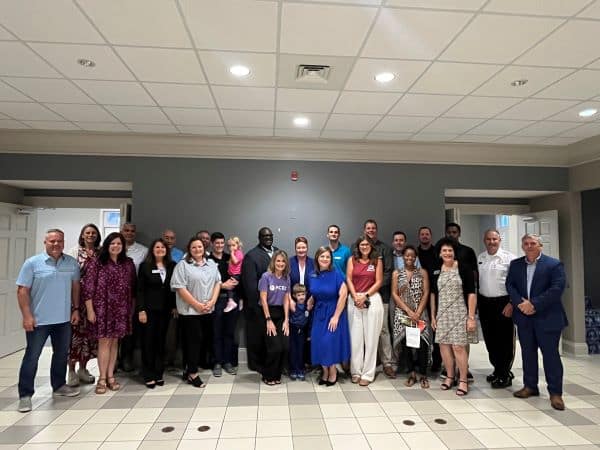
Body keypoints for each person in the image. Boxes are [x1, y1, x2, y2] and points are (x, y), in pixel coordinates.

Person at [16, 229, 81, 413]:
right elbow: (22, 291)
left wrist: (76, 309)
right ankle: (25, 395)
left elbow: (75, 287)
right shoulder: (32, 263)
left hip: (63, 320)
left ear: (64, 242)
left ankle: (59, 385)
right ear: (45, 242)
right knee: (32, 356)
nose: (56, 244)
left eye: (59, 241)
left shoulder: (71, 263)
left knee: (61, 354)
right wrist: (27, 316)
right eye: (52, 241)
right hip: (39, 321)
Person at [506, 234, 567, 411]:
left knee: (551, 356)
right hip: (524, 318)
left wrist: (533, 304)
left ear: (540, 245)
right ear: (522, 246)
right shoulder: (516, 264)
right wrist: (520, 303)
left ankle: (555, 393)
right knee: (528, 353)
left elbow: (557, 288)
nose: (529, 246)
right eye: (526, 243)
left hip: (547, 317)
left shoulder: (553, 264)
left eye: (533, 243)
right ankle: (530, 386)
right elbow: (510, 285)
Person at [83, 232, 136, 394]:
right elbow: (88, 288)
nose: (116, 246)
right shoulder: (97, 262)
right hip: (102, 309)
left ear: (123, 246)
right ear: (107, 245)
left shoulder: (128, 263)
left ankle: (111, 376)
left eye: (119, 243)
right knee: (104, 342)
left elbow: (133, 288)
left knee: (114, 342)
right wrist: (90, 310)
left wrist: (131, 310)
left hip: (121, 309)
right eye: (113, 243)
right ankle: (102, 378)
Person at [171, 237, 221, 387]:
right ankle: (193, 374)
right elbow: (180, 288)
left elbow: (218, 282)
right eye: (194, 247)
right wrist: (197, 305)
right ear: (189, 249)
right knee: (193, 342)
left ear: (204, 248)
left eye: (200, 247)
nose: (197, 249)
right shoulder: (182, 265)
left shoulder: (211, 264)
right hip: (190, 312)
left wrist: (212, 301)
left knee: (201, 342)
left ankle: (189, 369)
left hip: (207, 310)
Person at [431, 238, 477, 396]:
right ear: (440, 253)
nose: (447, 253)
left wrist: (471, 317)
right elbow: (433, 294)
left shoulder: (464, 268)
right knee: (444, 346)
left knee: (458, 347)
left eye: (450, 250)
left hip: (460, 312)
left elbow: (471, 293)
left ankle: (463, 379)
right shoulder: (437, 269)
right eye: (444, 250)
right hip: (442, 313)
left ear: (454, 252)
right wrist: (433, 316)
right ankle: (450, 376)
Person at [478, 229, 516, 389]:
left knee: (504, 340)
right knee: (490, 339)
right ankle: (497, 369)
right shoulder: (480, 258)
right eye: (488, 239)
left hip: (503, 303)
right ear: (484, 240)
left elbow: (517, 283)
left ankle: (505, 374)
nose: (491, 242)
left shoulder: (510, 258)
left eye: (494, 239)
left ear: (500, 240)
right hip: (485, 303)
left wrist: (512, 303)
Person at [137, 238, 176, 388]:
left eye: (163, 247)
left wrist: (174, 306)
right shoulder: (145, 266)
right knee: (148, 342)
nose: (160, 249)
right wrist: (141, 310)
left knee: (161, 342)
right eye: (157, 247)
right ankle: (148, 374)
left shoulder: (172, 265)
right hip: (149, 310)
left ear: (167, 250)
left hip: (165, 310)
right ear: (152, 250)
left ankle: (159, 373)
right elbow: (140, 290)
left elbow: (174, 288)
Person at [392, 245, 431, 389]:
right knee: (407, 344)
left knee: (422, 344)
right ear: (403, 257)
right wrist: (409, 311)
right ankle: (411, 373)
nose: (409, 258)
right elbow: (395, 294)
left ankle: (423, 374)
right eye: (407, 255)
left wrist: (418, 312)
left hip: (420, 313)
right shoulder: (397, 273)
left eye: (412, 256)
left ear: (416, 257)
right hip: (403, 313)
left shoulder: (422, 272)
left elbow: (426, 292)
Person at [66, 223, 101, 388]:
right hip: (77, 300)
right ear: (82, 235)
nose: (90, 235)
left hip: (95, 300)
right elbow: (70, 277)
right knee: (75, 337)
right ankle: (71, 371)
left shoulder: (100, 253)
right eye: (88, 232)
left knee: (89, 336)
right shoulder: (74, 252)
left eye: (93, 233)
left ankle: (83, 368)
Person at [310, 247, 351, 386]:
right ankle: (325, 371)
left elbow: (343, 295)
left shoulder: (336, 274)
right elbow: (315, 291)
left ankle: (333, 371)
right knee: (318, 342)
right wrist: (311, 299)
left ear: (331, 259)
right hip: (319, 313)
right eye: (322, 256)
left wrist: (336, 316)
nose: (325, 259)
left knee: (329, 343)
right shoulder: (312, 275)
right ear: (317, 258)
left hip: (334, 312)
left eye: (328, 257)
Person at [346, 235, 383, 386]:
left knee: (371, 339)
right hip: (354, 300)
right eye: (361, 244)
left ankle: (367, 374)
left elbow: (379, 281)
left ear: (371, 246)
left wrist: (365, 296)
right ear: (358, 246)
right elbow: (349, 279)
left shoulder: (377, 261)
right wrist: (356, 296)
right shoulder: (352, 260)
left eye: (367, 244)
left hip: (371, 299)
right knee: (355, 339)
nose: (364, 247)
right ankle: (356, 371)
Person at [362, 219, 395, 379]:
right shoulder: (357, 246)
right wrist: (365, 291)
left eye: (373, 228)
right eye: (368, 228)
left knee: (383, 329)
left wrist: (373, 287)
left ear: (377, 230)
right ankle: (369, 361)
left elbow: (388, 272)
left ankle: (387, 363)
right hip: (362, 297)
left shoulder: (385, 248)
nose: (371, 230)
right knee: (364, 329)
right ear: (364, 230)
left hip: (381, 296)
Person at [241, 227, 277, 373]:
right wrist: (259, 304)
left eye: (270, 236)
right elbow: (250, 284)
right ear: (259, 238)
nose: (268, 238)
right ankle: (256, 365)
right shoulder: (251, 256)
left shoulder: (278, 252)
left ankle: (270, 363)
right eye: (265, 236)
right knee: (256, 337)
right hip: (257, 305)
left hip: (275, 305)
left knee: (271, 337)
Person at [209, 232, 240, 376]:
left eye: (222, 243)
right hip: (216, 300)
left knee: (229, 332)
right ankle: (217, 362)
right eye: (217, 243)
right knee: (216, 332)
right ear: (212, 244)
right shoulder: (208, 260)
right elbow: (205, 282)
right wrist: (222, 285)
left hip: (231, 300)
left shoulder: (230, 258)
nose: (220, 245)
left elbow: (239, 274)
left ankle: (227, 361)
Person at [258, 250, 291, 385]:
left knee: (284, 346)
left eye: (283, 261)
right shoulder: (266, 277)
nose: (280, 263)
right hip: (268, 314)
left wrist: (286, 320)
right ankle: (267, 375)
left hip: (281, 314)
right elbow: (263, 299)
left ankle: (276, 375)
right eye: (278, 261)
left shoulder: (286, 278)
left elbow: (286, 299)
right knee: (274, 348)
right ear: (273, 262)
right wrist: (268, 320)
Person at [119, 222, 147, 372]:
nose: (129, 233)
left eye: (132, 231)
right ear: (121, 231)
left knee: (130, 328)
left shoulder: (143, 251)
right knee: (113, 328)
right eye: (126, 230)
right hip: (114, 296)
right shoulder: (114, 247)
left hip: (132, 295)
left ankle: (126, 358)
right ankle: (113, 360)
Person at [417, 226, 441, 371]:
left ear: (431, 236)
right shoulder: (415, 253)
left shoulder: (437, 253)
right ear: (419, 237)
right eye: (422, 234)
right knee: (420, 329)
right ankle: (422, 361)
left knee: (436, 329)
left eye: (427, 234)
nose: (425, 236)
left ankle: (437, 360)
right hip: (418, 298)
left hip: (436, 297)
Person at [289, 284, 309, 381]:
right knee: (293, 350)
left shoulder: (307, 306)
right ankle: (293, 370)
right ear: (294, 296)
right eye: (299, 295)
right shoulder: (293, 305)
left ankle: (300, 369)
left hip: (303, 331)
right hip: (293, 330)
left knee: (301, 350)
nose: (301, 297)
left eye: (303, 294)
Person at [225, 236, 244, 312]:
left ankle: (231, 302)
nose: (231, 248)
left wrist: (232, 253)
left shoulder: (239, 253)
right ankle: (238, 301)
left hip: (237, 274)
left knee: (230, 288)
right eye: (229, 246)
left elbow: (235, 261)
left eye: (233, 245)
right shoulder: (233, 254)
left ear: (238, 245)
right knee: (234, 288)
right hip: (232, 274)